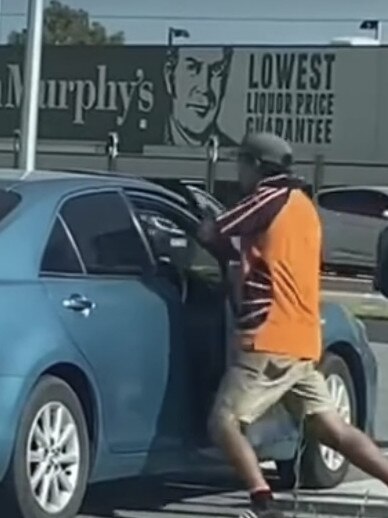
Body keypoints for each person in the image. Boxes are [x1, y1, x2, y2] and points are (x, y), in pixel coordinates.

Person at [197, 131, 388, 518]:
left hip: (268, 336)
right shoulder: (304, 207)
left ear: (254, 165)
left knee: (224, 421)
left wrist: (214, 244)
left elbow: (212, 231)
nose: (238, 171)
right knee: (331, 429)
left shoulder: (266, 199)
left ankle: (262, 501)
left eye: (240, 163)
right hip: (303, 336)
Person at [163, 46, 236, 146]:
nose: (204, 87)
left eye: (216, 69)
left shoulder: (236, 154)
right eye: (192, 68)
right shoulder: (142, 146)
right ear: (170, 78)